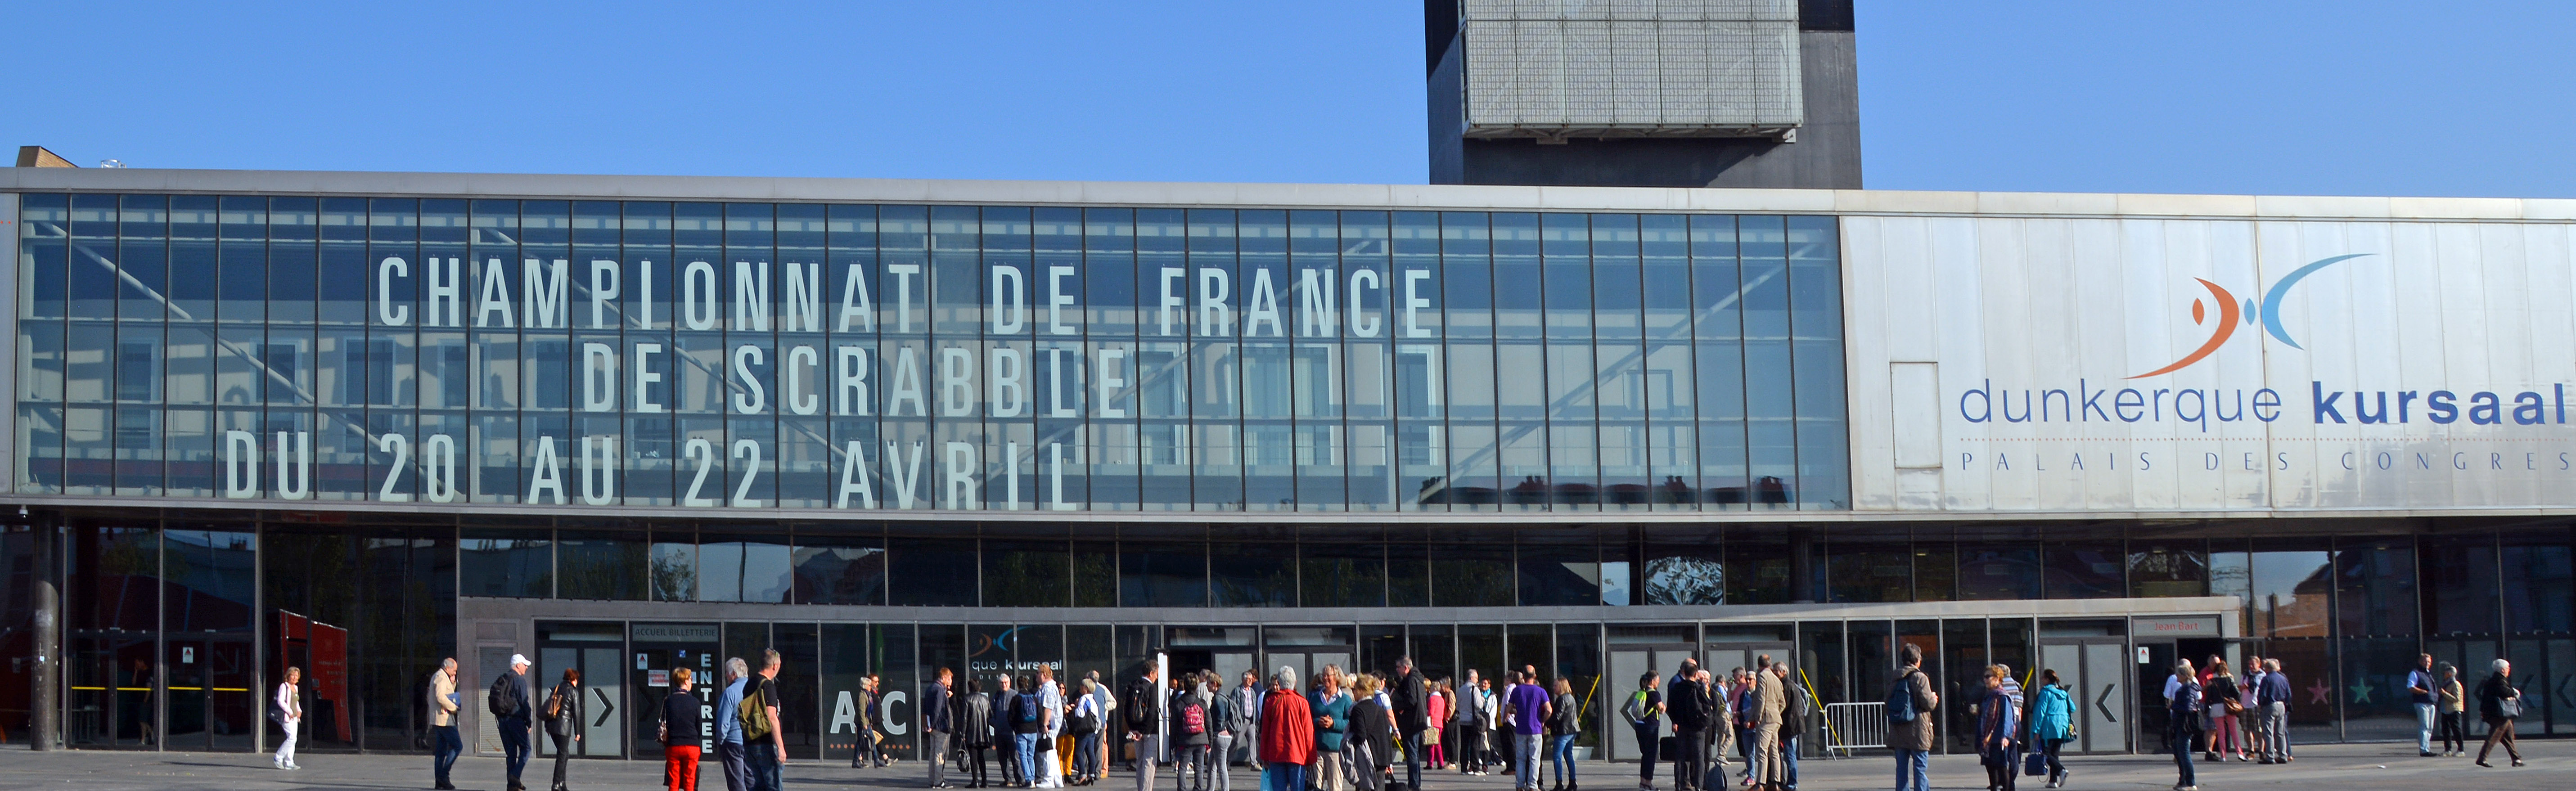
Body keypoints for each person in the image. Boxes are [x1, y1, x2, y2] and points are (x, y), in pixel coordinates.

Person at [1888, 644, 1937, 791]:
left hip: (1899, 729)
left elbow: (1888, 702)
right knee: (1920, 768)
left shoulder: (1895, 677)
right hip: (1918, 730)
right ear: (1918, 660)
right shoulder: (1920, 678)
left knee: (1901, 769)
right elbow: (1928, 704)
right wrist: (1934, 698)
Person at [1259, 666, 1313, 791]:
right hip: (1297, 754)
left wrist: (1264, 756)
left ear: (1279, 681)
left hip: (1276, 753)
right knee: (1298, 788)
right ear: (1295, 682)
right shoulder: (1302, 702)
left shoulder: (1270, 701)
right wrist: (1311, 758)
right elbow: (1309, 733)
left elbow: (1265, 732)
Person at [1666, 660, 1711, 791]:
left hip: (1682, 727)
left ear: (1684, 673)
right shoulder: (1698, 688)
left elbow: (1671, 707)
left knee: (1680, 757)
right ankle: (1698, 785)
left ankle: (1679, 785)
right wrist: (1705, 723)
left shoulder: (1677, 688)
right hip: (1697, 727)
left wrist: (1675, 720)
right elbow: (1707, 706)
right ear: (1696, 674)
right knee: (1699, 758)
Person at [2024, 669, 2073, 789]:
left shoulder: (2045, 693)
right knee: (2054, 754)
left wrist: (2036, 730)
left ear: (2047, 679)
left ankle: (2061, 770)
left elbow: (2040, 712)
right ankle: (2053, 781)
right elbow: (2072, 707)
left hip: (2048, 727)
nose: (2041, 680)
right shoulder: (2063, 693)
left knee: (2046, 753)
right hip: (2062, 727)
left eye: (2043, 678)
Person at [1504, 670, 1550, 791]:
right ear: (1535, 676)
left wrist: (1506, 718)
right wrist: (1542, 720)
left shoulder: (1517, 690)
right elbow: (1549, 710)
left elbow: (1508, 708)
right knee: (1535, 759)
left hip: (1521, 729)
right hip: (1536, 730)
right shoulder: (1541, 691)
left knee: (1521, 759)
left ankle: (1520, 785)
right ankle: (1533, 785)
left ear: (1524, 676)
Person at [495, 655, 536, 791]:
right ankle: (515, 775)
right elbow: (524, 702)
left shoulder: (503, 679)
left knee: (511, 753)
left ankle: (511, 786)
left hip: (502, 720)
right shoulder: (518, 680)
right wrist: (528, 721)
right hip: (515, 720)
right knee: (526, 748)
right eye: (525, 665)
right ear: (518, 665)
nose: (526, 668)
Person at [1347, 675, 1395, 791]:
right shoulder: (1379, 709)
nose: (1353, 692)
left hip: (1366, 757)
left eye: (1354, 690)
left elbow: (1360, 735)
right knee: (1379, 788)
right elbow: (1386, 735)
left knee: (1364, 788)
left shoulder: (1358, 710)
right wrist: (1389, 762)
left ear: (1361, 691)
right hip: (1382, 758)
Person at [750, 650, 789, 791]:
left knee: (758, 786)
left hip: (751, 743)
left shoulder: (751, 683)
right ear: (775, 666)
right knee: (773, 786)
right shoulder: (768, 686)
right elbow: (772, 717)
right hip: (766, 744)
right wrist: (781, 747)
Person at [2474, 658, 2524, 768]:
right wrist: (2514, 692)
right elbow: (2504, 692)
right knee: (2494, 736)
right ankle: (2482, 758)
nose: (2509, 670)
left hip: (2497, 713)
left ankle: (2516, 759)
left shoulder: (2494, 679)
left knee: (2508, 736)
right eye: (2508, 668)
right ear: (2502, 670)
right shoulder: (2499, 680)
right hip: (2499, 714)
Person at [1976, 669, 2018, 791]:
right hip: (1987, 739)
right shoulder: (1988, 696)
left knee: (2001, 766)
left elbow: (2008, 718)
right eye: (1985, 677)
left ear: (1997, 679)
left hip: (1998, 737)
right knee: (1990, 767)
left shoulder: (2003, 696)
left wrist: (2005, 736)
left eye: (1988, 676)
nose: (1985, 680)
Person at [1312, 666, 1354, 791]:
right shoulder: (1315, 698)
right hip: (1317, 750)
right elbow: (1307, 719)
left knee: (1335, 787)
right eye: (1323, 675)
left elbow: (1350, 723)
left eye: (1328, 675)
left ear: (1336, 678)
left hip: (1335, 751)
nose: (1325, 678)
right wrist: (1318, 722)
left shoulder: (1345, 700)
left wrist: (1334, 723)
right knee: (1316, 786)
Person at [1390, 657, 1429, 791]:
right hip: (1418, 720)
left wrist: (1397, 706)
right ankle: (1415, 781)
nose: (1397, 670)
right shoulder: (1417, 679)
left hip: (1412, 722)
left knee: (1412, 753)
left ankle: (1414, 783)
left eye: (1399, 667)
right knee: (1414, 753)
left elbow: (1411, 700)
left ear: (1406, 668)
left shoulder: (1412, 680)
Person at [663, 667, 704, 791]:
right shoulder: (695, 702)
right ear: (686, 681)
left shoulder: (669, 701)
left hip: (674, 745)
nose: (692, 681)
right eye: (691, 679)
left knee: (674, 781)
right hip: (691, 745)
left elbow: (667, 722)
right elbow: (699, 725)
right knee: (689, 781)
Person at [1620, 672, 1662, 791]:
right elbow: (1662, 709)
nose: (1659, 682)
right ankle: (1648, 783)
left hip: (1639, 725)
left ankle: (1643, 783)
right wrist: (1664, 707)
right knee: (1651, 756)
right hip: (1651, 726)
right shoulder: (1654, 694)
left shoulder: (1640, 692)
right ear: (1653, 681)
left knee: (1645, 755)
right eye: (1658, 680)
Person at [545, 668, 584, 791]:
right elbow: (577, 712)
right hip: (564, 727)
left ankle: (562, 783)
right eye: (577, 679)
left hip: (553, 726)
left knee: (564, 754)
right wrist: (578, 733)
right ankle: (556, 784)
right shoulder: (573, 691)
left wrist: (547, 725)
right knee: (562, 755)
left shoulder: (557, 688)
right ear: (573, 680)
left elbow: (550, 706)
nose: (577, 682)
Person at [718, 658, 753, 791]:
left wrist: (721, 742)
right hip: (752, 741)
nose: (726, 676)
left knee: (736, 782)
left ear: (734, 674)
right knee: (751, 779)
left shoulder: (730, 693)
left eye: (727, 673)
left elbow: (723, 723)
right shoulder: (756, 689)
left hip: (733, 742)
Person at [2165, 660, 2201, 791]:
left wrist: (2173, 706)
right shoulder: (2185, 688)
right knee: (2180, 753)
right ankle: (2184, 780)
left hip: (2185, 725)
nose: (2177, 677)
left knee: (2184, 753)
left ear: (2185, 676)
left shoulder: (2188, 689)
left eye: (2179, 674)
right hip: (2180, 723)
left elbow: (2188, 708)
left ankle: (2190, 783)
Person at [1174, 672, 1211, 791]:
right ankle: (1198, 789)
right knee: (1199, 767)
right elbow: (1209, 724)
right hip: (1201, 740)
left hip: (1185, 741)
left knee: (1183, 768)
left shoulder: (1179, 703)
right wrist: (1210, 741)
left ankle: (1182, 789)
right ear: (1197, 686)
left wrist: (1173, 743)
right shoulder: (1202, 703)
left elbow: (1174, 725)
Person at [1750, 658, 1783, 791]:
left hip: (1766, 719)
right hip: (1776, 718)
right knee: (1774, 751)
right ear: (1769, 664)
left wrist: (1759, 716)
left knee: (1762, 751)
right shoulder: (1776, 679)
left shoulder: (1762, 676)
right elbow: (1783, 702)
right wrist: (1777, 712)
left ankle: (1761, 783)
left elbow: (1761, 698)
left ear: (1759, 665)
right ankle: (1775, 782)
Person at [430, 658, 464, 790]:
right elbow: (441, 697)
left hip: (439, 720)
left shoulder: (444, 677)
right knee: (457, 746)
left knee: (441, 750)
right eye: (454, 670)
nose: (455, 672)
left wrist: (454, 682)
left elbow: (448, 692)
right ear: (448, 667)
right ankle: (444, 775)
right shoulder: (441, 677)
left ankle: (439, 780)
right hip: (444, 720)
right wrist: (454, 707)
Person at [2201, 660, 2240, 764]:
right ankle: (2239, 752)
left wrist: (2206, 709)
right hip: (2229, 706)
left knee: (2221, 732)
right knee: (2233, 731)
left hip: (2216, 707)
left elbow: (2209, 697)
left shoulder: (2213, 681)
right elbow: (2237, 693)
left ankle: (2223, 755)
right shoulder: (2229, 679)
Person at [1771, 663, 1803, 791]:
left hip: (1790, 725)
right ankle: (1791, 781)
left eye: (1776, 672)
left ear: (1783, 672)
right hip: (1791, 724)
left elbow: (1784, 706)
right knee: (1790, 755)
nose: (1774, 674)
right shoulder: (1789, 685)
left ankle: (1792, 782)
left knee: (1790, 756)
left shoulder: (1786, 686)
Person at [1547, 677, 1581, 791]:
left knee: (1557, 757)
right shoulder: (1571, 698)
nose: (1554, 688)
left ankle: (1559, 783)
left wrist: (1546, 723)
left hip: (1564, 731)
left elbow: (1558, 717)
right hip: (1572, 730)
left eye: (1556, 685)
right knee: (1569, 755)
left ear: (1561, 686)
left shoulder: (1562, 699)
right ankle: (1573, 781)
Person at [2253, 658, 2291, 764]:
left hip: (2270, 705)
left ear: (2267, 669)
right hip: (2281, 705)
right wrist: (2286, 704)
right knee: (2280, 732)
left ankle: (2270, 756)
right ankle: (2283, 755)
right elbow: (2288, 694)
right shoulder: (2283, 678)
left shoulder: (2267, 679)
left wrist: (2260, 704)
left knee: (2268, 732)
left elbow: (2263, 694)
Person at [927, 668, 957, 788]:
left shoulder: (932, 688)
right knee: (940, 754)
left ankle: (932, 779)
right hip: (941, 727)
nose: (951, 681)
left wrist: (929, 726)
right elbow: (938, 709)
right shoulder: (940, 690)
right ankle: (939, 781)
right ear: (944, 678)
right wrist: (934, 724)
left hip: (933, 727)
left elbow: (929, 706)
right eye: (949, 678)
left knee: (933, 753)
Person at [963, 677, 996, 788]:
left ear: (969, 688)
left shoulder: (967, 699)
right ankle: (985, 781)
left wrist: (963, 734)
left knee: (973, 756)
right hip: (983, 732)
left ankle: (975, 780)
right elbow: (991, 715)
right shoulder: (985, 699)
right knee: (981, 757)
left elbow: (965, 718)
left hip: (972, 732)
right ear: (979, 688)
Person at [1072, 678, 1106, 786]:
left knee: (1078, 752)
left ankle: (1083, 774)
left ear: (1086, 688)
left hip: (1084, 729)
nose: (1080, 688)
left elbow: (1080, 714)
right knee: (1090, 752)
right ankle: (1091, 774)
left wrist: (1076, 707)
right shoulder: (1093, 700)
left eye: (1082, 686)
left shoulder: (1083, 699)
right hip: (1093, 729)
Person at [1455, 670, 1487, 776]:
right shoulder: (1475, 690)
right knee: (1475, 745)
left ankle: (1464, 768)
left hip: (1463, 720)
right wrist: (1483, 700)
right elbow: (1479, 705)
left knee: (1464, 745)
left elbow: (1458, 707)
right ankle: (1475, 767)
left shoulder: (1460, 690)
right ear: (1472, 678)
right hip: (1473, 721)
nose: (1478, 681)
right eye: (1477, 678)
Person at [1038, 667, 1066, 789]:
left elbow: (1048, 708)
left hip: (1050, 726)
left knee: (1047, 752)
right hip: (1052, 724)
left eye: (1038, 673)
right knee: (1052, 752)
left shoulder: (1049, 689)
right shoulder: (1050, 688)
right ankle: (1058, 779)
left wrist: (1045, 724)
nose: (1037, 676)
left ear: (1044, 675)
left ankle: (1049, 779)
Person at [272, 665, 304, 771]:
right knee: (292, 738)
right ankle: (279, 757)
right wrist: (290, 712)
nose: (295, 678)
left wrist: (299, 711)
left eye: (297, 675)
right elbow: (281, 701)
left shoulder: (296, 688)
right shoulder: (284, 686)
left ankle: (289, 762)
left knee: (294, 739)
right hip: (287, 716)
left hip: (295, 717)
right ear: (288, 676)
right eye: (293, 675)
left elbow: (296, 702)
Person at [2407, 653, 2438, 757]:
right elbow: (2411, 687)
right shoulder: (2415, 673)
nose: (2427, 664)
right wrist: (2422, 692)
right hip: (2422, 703)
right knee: (2424, 726)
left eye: (2429, 662)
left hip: (2431, 703)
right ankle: (2424, 750)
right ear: (2420, 662)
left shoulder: (2428, 674)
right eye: (2425, 661)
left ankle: (2427, 747)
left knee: (2430, 727)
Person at [1237, 671, 1266, 773]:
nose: (1250, 681)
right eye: (1248, 679)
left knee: (1253, 742)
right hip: (1242, 720)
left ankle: (1254, 763)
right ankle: (1226, 761)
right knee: (1236, 741)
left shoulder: (1252, 691)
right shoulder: (1238, 691)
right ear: (1243, 680)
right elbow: (1235, 705)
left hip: (1251, 721)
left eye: (1251, 679)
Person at [2435, 663, 2467, 757]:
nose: (2444, 675)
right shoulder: (2446, 684)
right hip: (2445, 710)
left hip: (2454, 710)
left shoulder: (2456, 684)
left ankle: (2461, 750)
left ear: (2450, 674)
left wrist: (2445, 694)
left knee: (2456, 730)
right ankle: (2448, 749)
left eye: (2445, 673)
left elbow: (2456, 699)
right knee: (2446, 730)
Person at [1425, 680, 1451, 772]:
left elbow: (1431, 712)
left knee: (1431, 744)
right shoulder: (1441, 699)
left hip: (1433, 723)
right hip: (1440, 723)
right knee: (1438, 744)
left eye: (1431, 688)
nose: (1430, 690)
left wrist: (1426, 713)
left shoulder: (1432, 699)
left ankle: (1430, 763)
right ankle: (1441, 763)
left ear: (1435, 689)